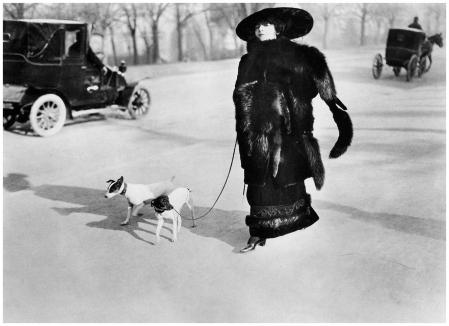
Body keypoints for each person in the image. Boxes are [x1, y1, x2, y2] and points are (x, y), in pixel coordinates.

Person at [233, 7, 353, 253]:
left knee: (287, 176)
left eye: (265, 24)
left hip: (291, 131)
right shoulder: (248, 61)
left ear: (278, 28)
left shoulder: (302, 56)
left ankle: (295, 220)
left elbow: (323, 86)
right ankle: (259, 231)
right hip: (257, 133)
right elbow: (239, 95)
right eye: (257, 27)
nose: (259, 29)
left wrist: (339, 117)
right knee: (260, 183)